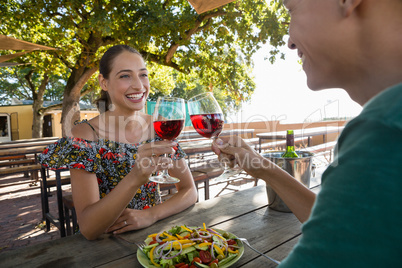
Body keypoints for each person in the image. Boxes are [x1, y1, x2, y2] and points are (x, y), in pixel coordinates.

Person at [212, 0, 402, 266]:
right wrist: (262, 167)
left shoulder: (384, 133)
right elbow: (342, 225)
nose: (289, 42)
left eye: (291, 9)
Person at [39, 45, 197, 240]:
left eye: (143, 75)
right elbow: (89, 228)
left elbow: (190, 191)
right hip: (105, 246)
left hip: (152, 239)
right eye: (125, 76)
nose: (139, 85)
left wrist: (151, 215)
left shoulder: (159, 126)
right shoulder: (85, 135)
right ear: (104, 83)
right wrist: (135, 178)